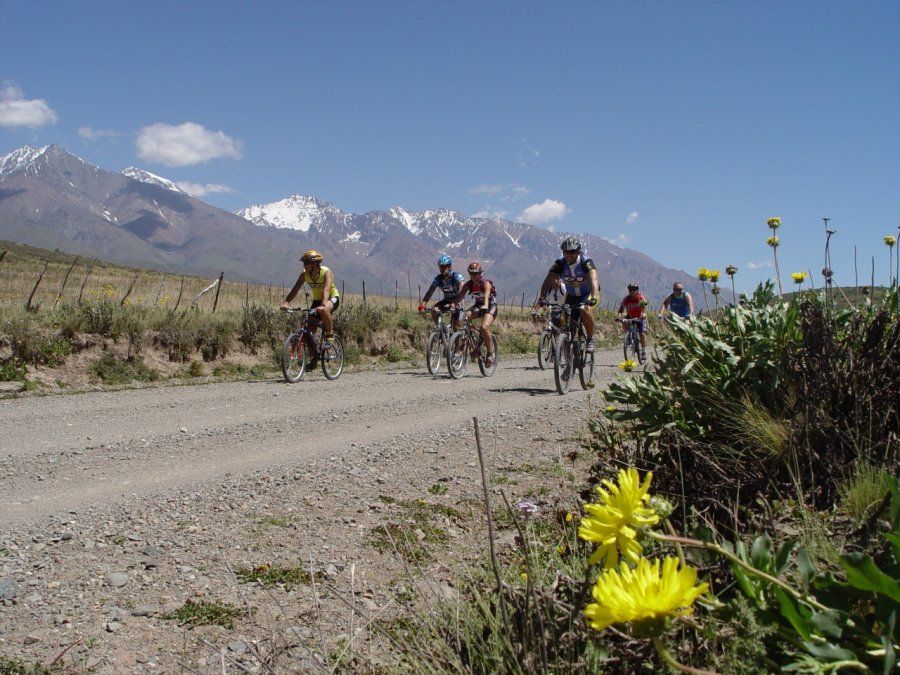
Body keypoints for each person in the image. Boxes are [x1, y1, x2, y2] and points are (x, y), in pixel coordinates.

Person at [535, 237, 600, 352]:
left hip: (588, 293)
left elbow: (593, 278)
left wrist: (594, 296)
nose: (569, 255)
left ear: (578, 252)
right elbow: (548, 280)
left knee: (584, 310)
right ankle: (570, 363)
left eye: (572, 252)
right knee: (567, 328)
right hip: (571, 296)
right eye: (566, 252)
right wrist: (542, 296)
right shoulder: (560, 263)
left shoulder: (586, 262)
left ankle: (590, 338)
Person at [280, 249, 340, 345]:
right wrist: (286, 302)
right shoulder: (304, 274)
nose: (304, 265)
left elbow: (326, 290)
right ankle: (314, 355)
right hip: (317, 300)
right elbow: (295, 289)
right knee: (309, 332)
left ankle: (330, 336)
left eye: (306, 263)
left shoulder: (326, 272)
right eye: (303, 263)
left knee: (324, 310)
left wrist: (323, 305)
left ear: (314, 264)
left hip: (331, 298)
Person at [453, 261, 497, 367]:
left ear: (480, 273)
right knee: (462, 317)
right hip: (478, 306)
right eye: (471, 273)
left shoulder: (485, 283)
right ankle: (468, 340)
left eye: (476, 273)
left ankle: (490, 353)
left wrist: (485, 305)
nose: (473, 275)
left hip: (490, 306)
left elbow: (486, 295)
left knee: (484, 327)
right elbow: (460, 296)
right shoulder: (469, 284)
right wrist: (453, 305)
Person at [418, 255, 464, 331]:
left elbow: (462, 291)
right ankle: (441, 331)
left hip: (458, 301)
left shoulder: (456, 276)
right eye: (441, 267)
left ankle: (456, 338)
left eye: (445, 266)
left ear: (450, 267)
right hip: (446, 301)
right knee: (434, 310)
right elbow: (429, 292)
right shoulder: (438, 278)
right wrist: (423, 305)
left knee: (455, 328)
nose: (443, 269)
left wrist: (455, 304)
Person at [617, 283, 647, 359]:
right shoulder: (626, 299)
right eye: (630, 290)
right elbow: (621, 309)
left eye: (634, 290)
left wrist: (643, 314)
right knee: (623, 321)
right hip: (630, 316)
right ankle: (627, 335)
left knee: (641, 334)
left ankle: (643, 351)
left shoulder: (640, 298)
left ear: (637, 290)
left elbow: (643, 308)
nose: (632, 291)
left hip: (640, 317)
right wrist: (618, 316)